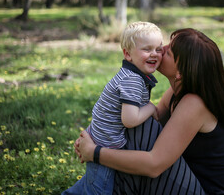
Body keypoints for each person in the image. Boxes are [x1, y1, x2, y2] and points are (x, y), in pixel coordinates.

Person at [75, 28, 224, 195]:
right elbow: (149, 123)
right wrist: (95, 136)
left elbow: (154, 164)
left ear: (180, 73)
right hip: (175, 180)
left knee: (141, 125)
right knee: (138, 121)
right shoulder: (177, 92)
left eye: (169, 51)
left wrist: (95, 152)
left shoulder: (194, 103)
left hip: (200, 190)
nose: (161, 49)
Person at [62, 21, 163, 195]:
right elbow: (130, 120)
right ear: (127, 54)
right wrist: (150, 108)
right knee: (98, 190)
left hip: (101, 138)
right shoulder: (133, 80)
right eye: (147, 49)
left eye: (158, 49)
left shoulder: (131, 74)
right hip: (105, 145)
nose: (154, 54)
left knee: (90, 184)